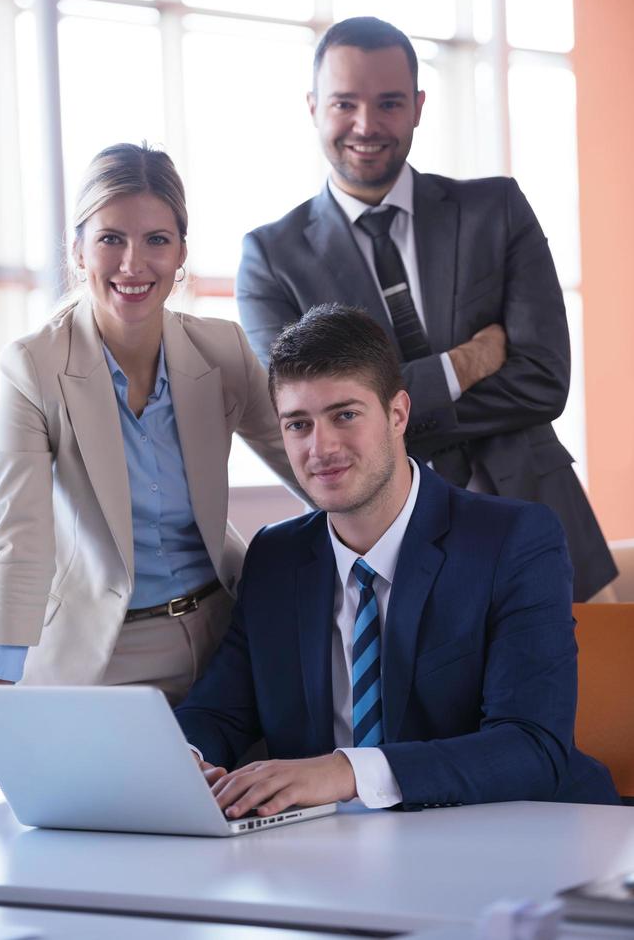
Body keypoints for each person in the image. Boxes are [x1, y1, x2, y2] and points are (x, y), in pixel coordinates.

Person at [174, 305, 619, 816]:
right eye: (298, 424)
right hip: (333, 852)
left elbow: (530, 744)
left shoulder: (514, 541)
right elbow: (220, 712)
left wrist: (347, 771)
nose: (321, 447)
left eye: (345, 415)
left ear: (397, 414)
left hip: (518, 837)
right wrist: (185, 759)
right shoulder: (276, 557)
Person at [235, 15, 616, 603]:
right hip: (395, 563)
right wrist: (462, 366)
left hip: (547, 529)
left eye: (388, 103)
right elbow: (307, 418)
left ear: (417, 106)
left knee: (600, 697)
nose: (366, 125)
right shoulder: (271, 258)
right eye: (344, 103)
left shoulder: (497, 210)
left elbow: (544, 382)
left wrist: (382, 419)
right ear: (313, 106)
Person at [0, 141, 299, 796]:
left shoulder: (223, 349)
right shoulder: (33, 367)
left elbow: (311, 466)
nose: (133, 263)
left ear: (181, 251)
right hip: (100, 656)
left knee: (235, 834)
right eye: (110, 239)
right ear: (78, 250)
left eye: (156, 239)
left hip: (220, 641)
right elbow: (21, 541)